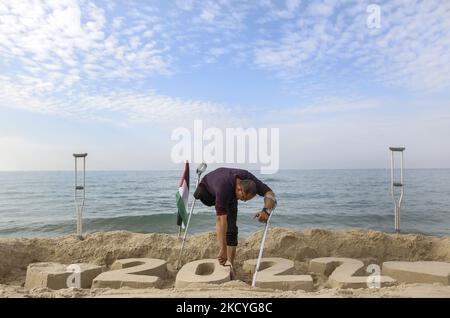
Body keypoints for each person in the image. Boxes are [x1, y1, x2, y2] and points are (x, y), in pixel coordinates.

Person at [193, 167, 276, 268]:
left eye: (247, 200)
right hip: (207, 190)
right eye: (243, 198)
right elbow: (220, 220)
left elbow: (270, 193)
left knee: (232, 228)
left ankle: (230, 264)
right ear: (239, 189)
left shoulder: (249, 179)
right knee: (202, 195)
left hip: (229, 193)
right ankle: (216, 200)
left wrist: (266, 211)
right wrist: (222, 249)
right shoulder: (223, 188)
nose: (244, 201)